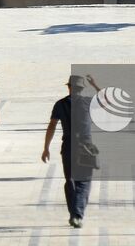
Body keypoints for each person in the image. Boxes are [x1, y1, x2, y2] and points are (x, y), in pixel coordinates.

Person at [42, 74, 101, 227]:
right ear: (82, 88)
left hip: (68, 146)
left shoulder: (60, 104)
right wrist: (94, 84)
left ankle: (73, 213)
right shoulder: (88, 102)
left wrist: (46, 148)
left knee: (70, 181)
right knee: (84, 181)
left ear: (69, 87)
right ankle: (77, 214)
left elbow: (52, 126)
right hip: (86, 147)